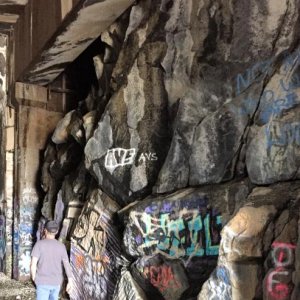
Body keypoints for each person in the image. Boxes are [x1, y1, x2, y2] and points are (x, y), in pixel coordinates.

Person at [31, 220, 73, 300]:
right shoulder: (61, 246)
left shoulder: (39, 244)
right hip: (56, 282)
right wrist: (70, 281)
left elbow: (33, 264)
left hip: (42, 282)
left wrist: (34, 278)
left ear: (45, 230)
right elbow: (66, 264)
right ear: (56, 232)